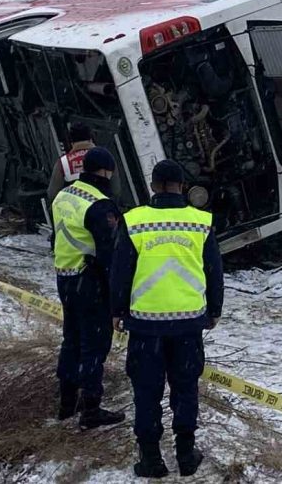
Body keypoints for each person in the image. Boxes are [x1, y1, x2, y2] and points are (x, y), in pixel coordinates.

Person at [111, 159, 224, 477]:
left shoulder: (134, 220)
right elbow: (214, 272)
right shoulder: (201, 221)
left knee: (146, 391)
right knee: (185, 388)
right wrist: (213, 310)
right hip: (188, 324)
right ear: (183, 186)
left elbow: (121, 272)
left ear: (153, 185)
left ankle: (150, 459)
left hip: (146, 326)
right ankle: (186, 455)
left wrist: (117, 311)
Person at [49, 147, 127, 429]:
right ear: (106, 171)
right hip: (90, 281)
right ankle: (91, 408)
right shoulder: (101, 205)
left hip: (65, 277)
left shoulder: (63, 195)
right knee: (94, 344)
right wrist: (119, 296)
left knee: (71, 338)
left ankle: (66, 402)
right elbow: (111, 254)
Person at [46, 122, 96, 209]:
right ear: (91, 139)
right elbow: (116, 191)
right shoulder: (105, 157)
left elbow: (52, 194)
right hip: (103, 212)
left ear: (71, 142)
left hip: (75, 214)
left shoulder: (63, 162)